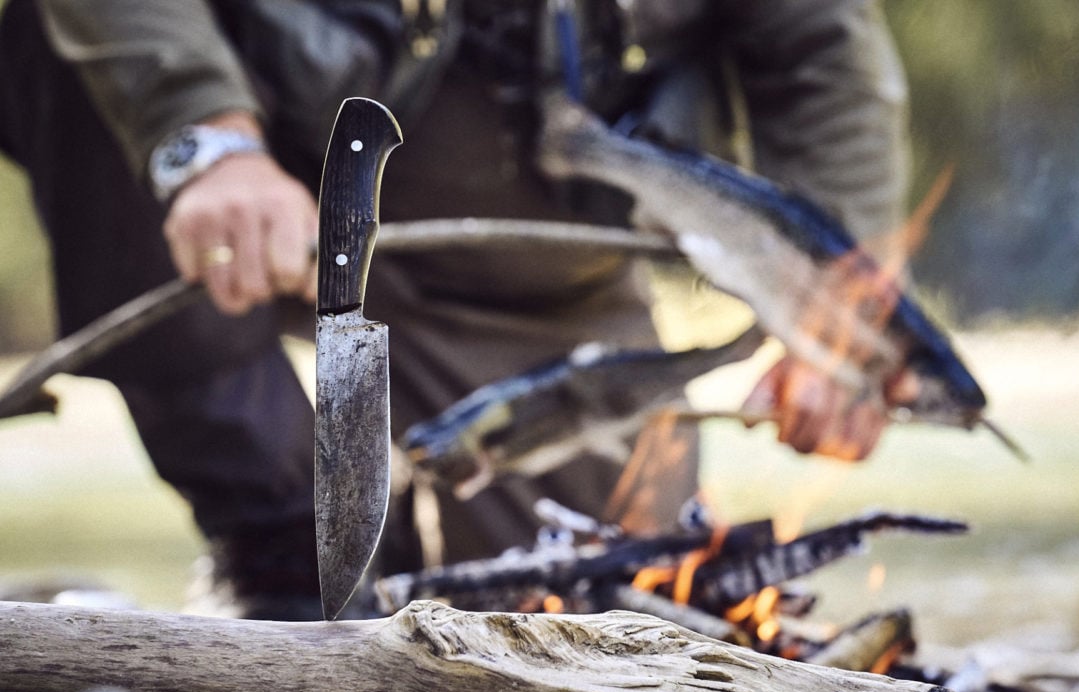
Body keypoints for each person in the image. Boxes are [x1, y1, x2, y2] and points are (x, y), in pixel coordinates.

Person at [0, 0, 912, 619]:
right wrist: (204, 137)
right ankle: (277, 534)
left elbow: (819, 39)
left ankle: (389, 540)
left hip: (541, 260)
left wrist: (837, 308)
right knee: (71, 42)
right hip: (256, 161)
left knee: (586, 599)